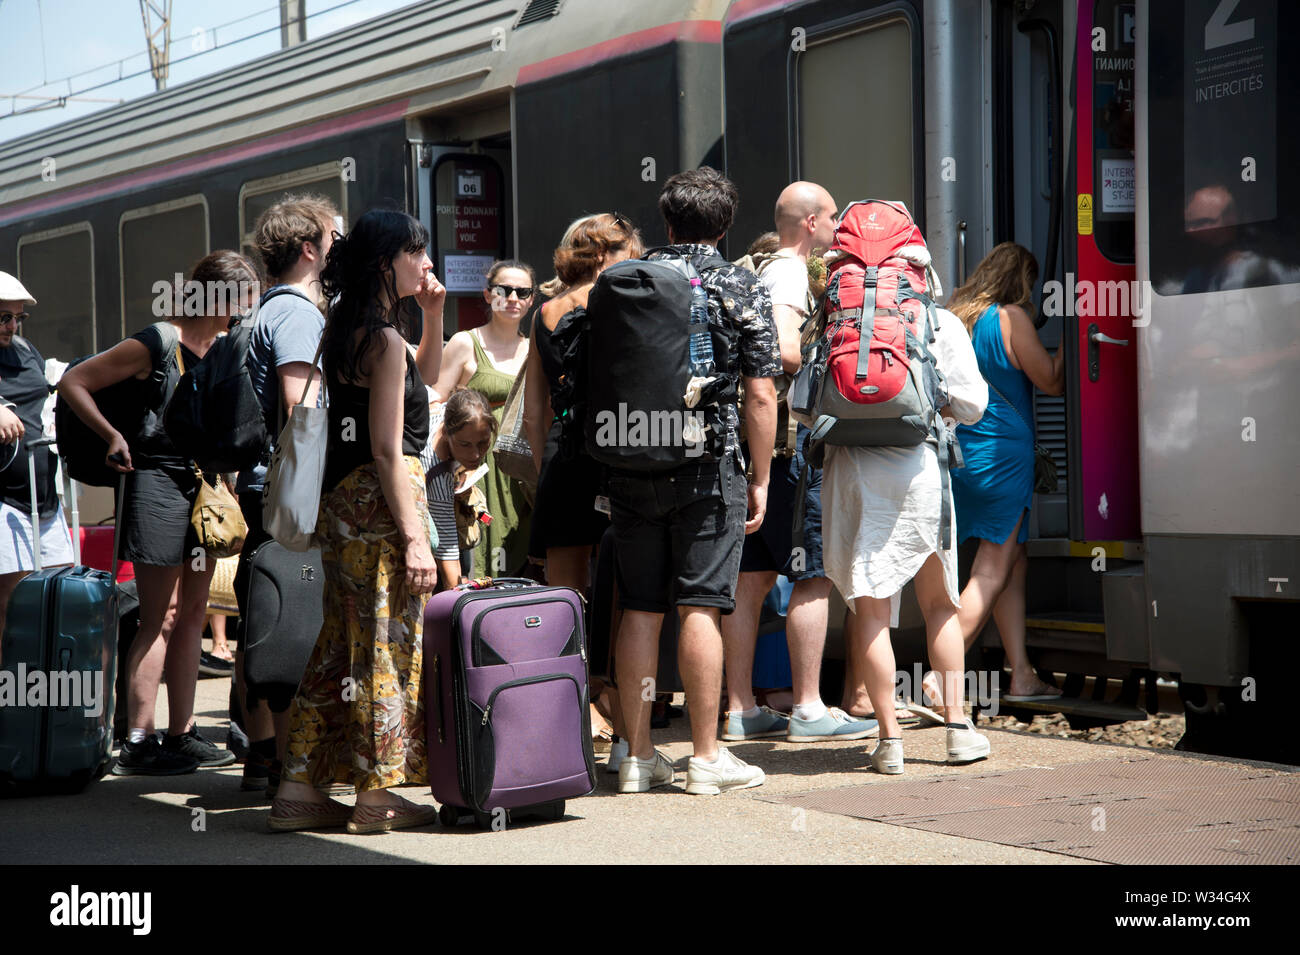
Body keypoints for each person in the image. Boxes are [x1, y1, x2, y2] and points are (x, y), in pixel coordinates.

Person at [270, 209, 443, 834]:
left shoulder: (339, 328)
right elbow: (387, 450)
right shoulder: (386, 343)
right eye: (415, 253)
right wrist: (418, 538)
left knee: (338, 646)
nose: (425, 265)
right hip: (380, 509)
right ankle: (377, 799)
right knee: (384, 650)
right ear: (384, 262)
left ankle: (297, 790)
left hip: (341, 508)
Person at [609, 166, 780, 796]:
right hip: (709, 465)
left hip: (630, 458)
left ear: (669, 221)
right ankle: (706, 757)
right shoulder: (740, 283)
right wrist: (760, 476)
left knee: (642, 606)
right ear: (727, 226)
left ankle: (637, 756)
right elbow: (761, 393)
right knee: (702, 603)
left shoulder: (627, 278)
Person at [58, 251, 258, 775]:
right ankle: (139, 741)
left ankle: (182, 732)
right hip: (157, 483)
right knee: (160, 616)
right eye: (239, 300)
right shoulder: (158, 341)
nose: (243, 313)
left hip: (204, 485)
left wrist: (229, 479)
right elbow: (74, 382)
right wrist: (112, 436)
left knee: (193, 610)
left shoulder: (220, 347)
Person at [817, 211, 990, 776]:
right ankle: (959, 731)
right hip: (920, 472)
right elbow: (972, 405)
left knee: (869, 612)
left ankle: (889, 742)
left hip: (853, 476)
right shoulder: (939, 322)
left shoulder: (833, 319)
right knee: (940, 604)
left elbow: (804, 403)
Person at [720, 182, 880, 743]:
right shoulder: (789, 273)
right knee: (811, 573)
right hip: (793, 445)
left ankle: (741, 710)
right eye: (833, 216)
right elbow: (784, 349)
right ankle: (810, 708)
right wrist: (834, 345)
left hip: (761, 445)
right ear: (811, 222)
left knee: (752, 576)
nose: (839, 225)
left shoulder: (760, 267)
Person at [230, 194, 345, 793]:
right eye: (333, 240)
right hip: (290, 497)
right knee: (292, 619)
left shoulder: (259, 311)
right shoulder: (298, 314)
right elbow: (304, 412)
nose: (338, 250)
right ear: (310, 249)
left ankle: (263, 755)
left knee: (264, 614)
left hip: (260, 488)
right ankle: (288, 762)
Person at [946, 242, 1064, 701]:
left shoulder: (957, 317)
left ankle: (1021, 675)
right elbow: (1050, 380)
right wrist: (1079, 337)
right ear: (1023, 281)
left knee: (1013, 562)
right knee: (992, 569)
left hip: (961, 455)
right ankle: (942, 676)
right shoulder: (1011, 318)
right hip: (1002, 457)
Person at [524, 214, 643, 592]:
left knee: (564, 591)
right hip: (621, 448)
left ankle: (572, 653)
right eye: (631, 254)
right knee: (624, 587)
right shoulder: (624, 301)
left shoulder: (543, 313)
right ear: (604, 254)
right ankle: (612, 654)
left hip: (564, 455)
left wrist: (548, 468)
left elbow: (533, 413)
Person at [430, 260, 536, 577]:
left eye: (523, 291)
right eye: (504, 290)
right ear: (488, 295)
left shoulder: (535, 348)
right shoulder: (465, 342)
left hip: (518, 466)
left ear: (532, 300)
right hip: (475, 468)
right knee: (478, 536)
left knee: (520, 551)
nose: (513, 297)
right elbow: (438, 403)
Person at [0, 271, 75, 650]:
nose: (12, 326)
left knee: (59, 594)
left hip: (44, 496)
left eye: (18, 318)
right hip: (6, 501)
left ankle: (41, 698)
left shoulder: (26, 351)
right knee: (11, 604)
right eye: (3, 317)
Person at [419, 388, 497, 590]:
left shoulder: (443, 409)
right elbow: (447, 552)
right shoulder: (436, 473)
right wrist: (460, 604)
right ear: (446, 432)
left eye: (483, 443)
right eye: (465, 444)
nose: (475, 454)